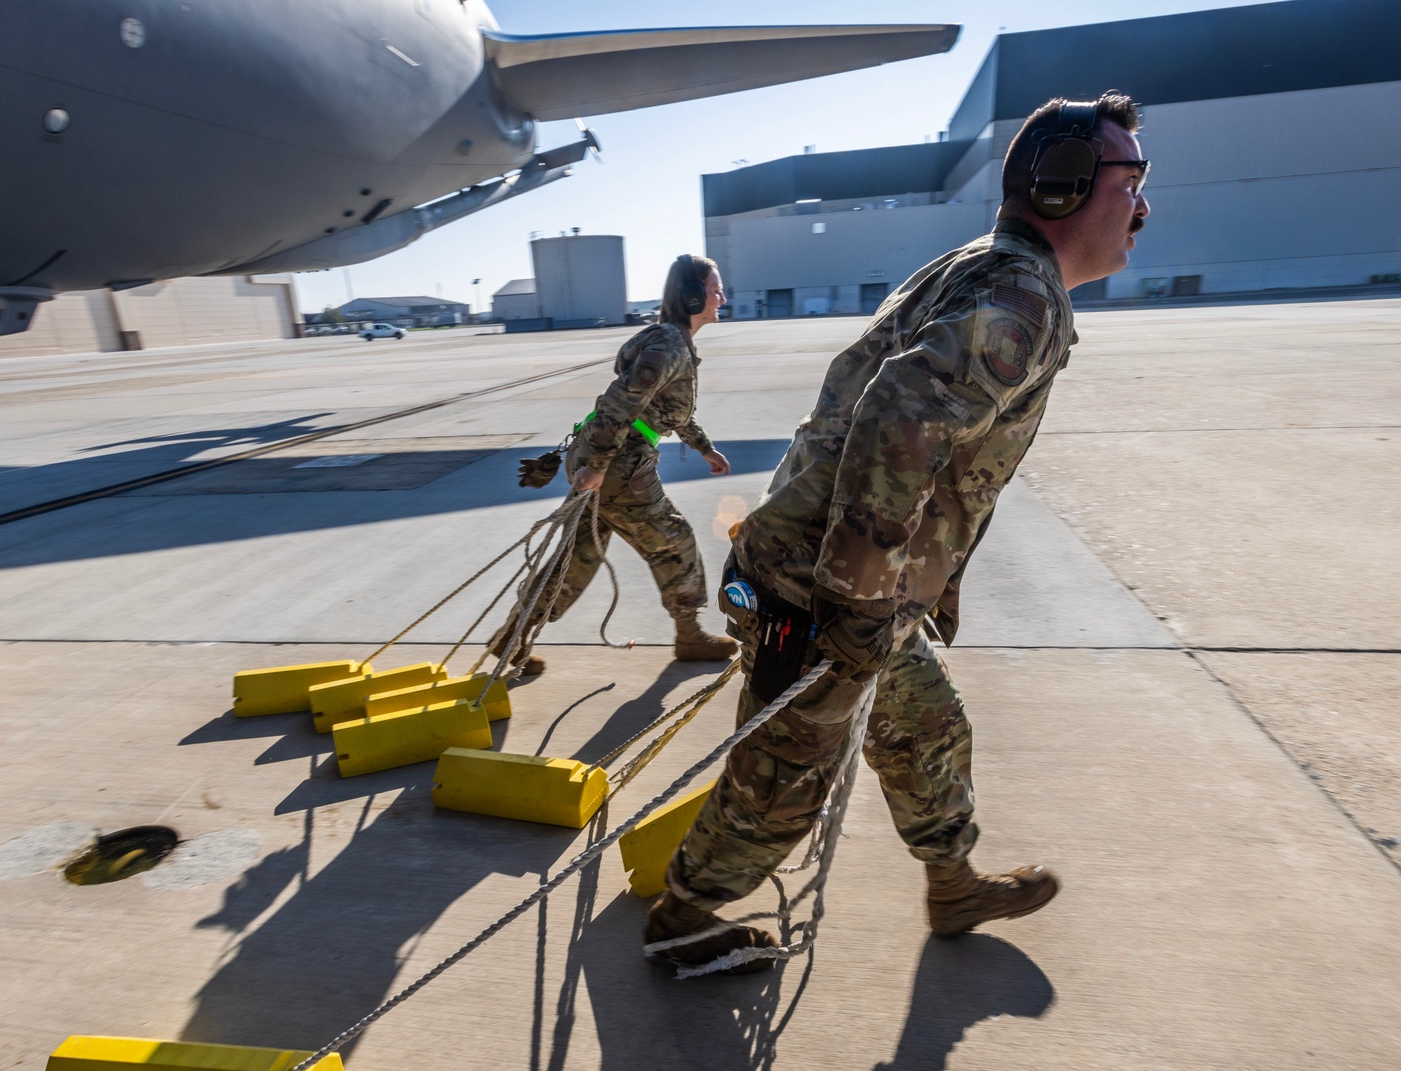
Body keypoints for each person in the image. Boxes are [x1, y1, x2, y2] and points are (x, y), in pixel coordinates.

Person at [646, 94, 1152, 974]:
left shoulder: (990, 270)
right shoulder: (1020, 298)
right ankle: (685, 913)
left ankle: (951, 882)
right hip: (829, 585)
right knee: (786, 770)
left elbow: (918, 445)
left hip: (852, 577)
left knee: (925, 722)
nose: (1144, 206)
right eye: (1130, 180)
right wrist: (853, 597)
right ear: (1065, 188)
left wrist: (921, 591)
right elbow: (900, 417)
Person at [493, 255, 739, 677]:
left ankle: (512, 637)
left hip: (607, 459)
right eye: (715, 290)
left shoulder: (674, 343)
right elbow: (619, 402)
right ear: (693, 295)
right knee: (673, 540)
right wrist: (600, 466)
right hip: (620, 465)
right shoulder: (669, 346)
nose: (722, 297)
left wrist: (704, 448)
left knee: (578, 558)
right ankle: (689, 634)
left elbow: (666, 410)